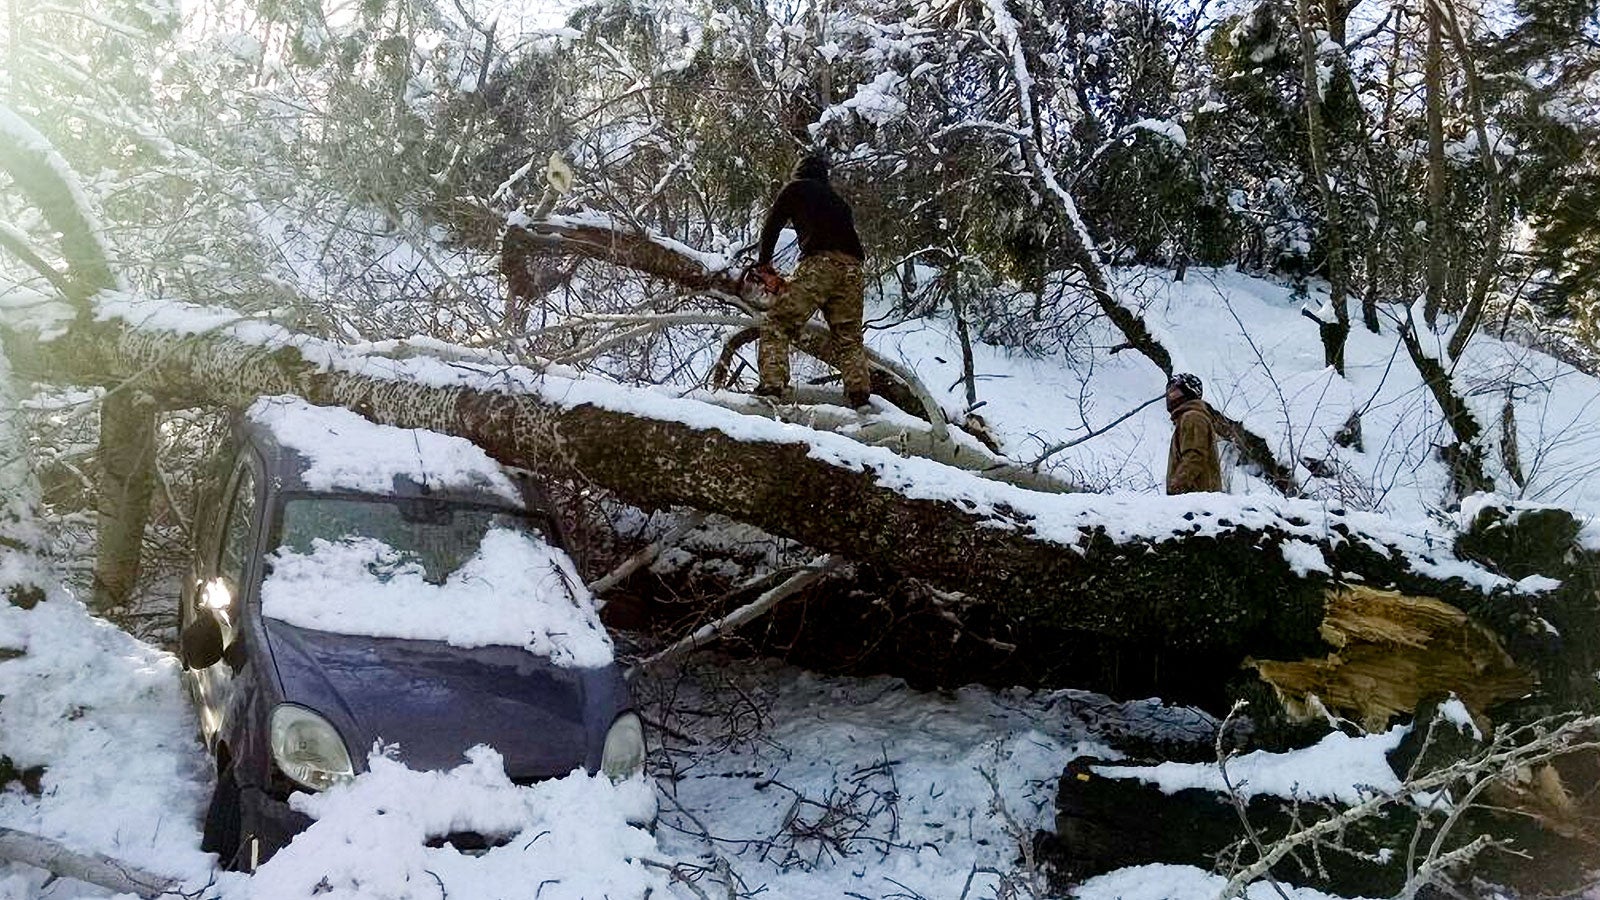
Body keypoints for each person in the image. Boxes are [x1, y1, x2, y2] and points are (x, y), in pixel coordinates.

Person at [753, 153, 871, 410]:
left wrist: (764, 264)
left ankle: (772, 389)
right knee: (849, 338)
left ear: (799, 173)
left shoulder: (796, 188)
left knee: (778, 322)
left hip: (820, 265)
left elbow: (772, 225)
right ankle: (860, 397)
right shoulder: (839, 202)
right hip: (853, 270)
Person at [1166, 373, 1223, 494]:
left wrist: (1176, 486)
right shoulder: (1190, 417)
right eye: (1169, 392)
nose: (1170, 397)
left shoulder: (1192, 417)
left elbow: (1195, 456)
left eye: (1175, 392)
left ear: (1189, 393)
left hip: (1196, 499)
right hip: (1196, 497)